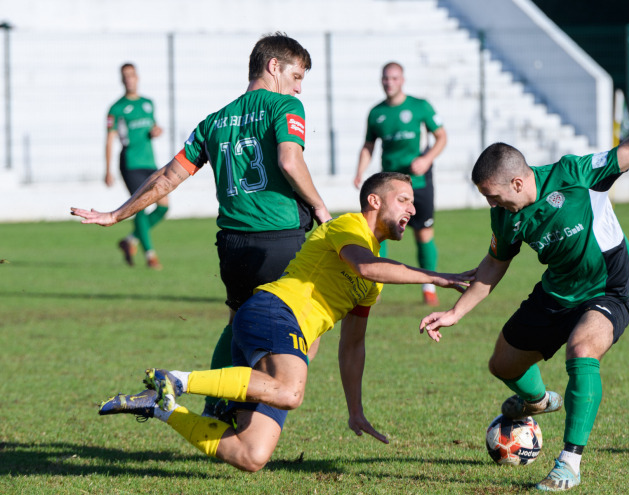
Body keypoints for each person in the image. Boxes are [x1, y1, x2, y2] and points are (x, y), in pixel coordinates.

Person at [419, 74, 629, 492]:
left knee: (582, 349)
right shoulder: (506, 215)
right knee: (502, 364)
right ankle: (539, 402)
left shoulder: (574, 174)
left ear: (518, 182)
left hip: (606, 288)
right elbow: (494, 264)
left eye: (494, 196)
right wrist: (455, 312)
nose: (491, 204)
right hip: (557, 291)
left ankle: (569, 464)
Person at [97, 172, 476, 472]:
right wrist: (441, 277)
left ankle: (162, 407)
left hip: (282, 336)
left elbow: (353, 344)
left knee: (251, 455)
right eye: (404, 199)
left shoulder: (374, 280)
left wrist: (355, 409)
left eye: (413, 202)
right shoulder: (348, 226)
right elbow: (364, 263)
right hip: (272, 312)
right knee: (289, 392)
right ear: (374, 200)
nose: (412, 208)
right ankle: (177, 379)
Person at [73, 33, 332, 418]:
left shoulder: (214, 121)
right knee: (314, 317)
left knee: (238, 322)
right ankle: (260, 415)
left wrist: (116, 214)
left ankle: (214, 406)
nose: (300, 86)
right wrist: (320, 207)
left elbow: (167, 177)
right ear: (273, 66)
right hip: (278, 239)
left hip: (232, 246)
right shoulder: (285, 106)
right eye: (297, 75)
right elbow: (290, 161)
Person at [354, 62, 447, 306]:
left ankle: (429, 288)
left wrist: (426, 159)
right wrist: (359, 171)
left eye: (394, 78)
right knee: (380, 232)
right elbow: (369, 146)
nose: (389, 83)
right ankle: (375, 286)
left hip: (418, 182)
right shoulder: (376, 113)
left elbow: (441, 136)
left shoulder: (420, 106)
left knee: (423, 232)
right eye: (385, 79)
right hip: (389, 185)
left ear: (402, 80)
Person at [106, 63, 167, 269]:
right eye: (125, 76)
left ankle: (130, 240)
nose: (129, 79)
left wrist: (156, 131)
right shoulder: (117, 108)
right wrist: (107, 170)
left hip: (149, 162)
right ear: (121, 80)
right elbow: (110, 139)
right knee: (140, 206)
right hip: (130, 163)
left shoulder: (148, 103)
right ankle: (150, 255)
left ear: (137, 77)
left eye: (132, 75)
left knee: (164, 207)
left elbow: (152, 127)